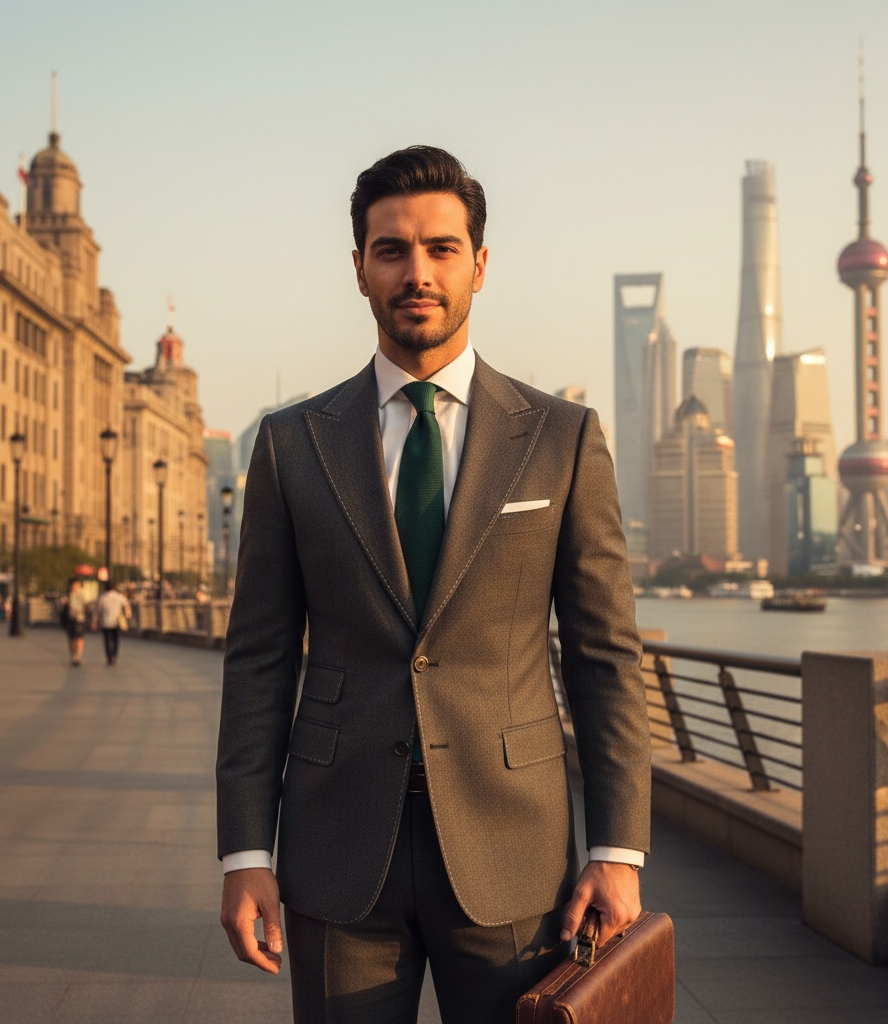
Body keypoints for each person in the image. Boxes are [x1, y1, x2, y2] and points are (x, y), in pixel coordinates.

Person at [217, 146, 651, 1024]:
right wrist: (244, 854)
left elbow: (604, 656)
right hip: (337, 849)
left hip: (513, 851)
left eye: (442, 249)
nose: (417, 272)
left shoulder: (562, 438)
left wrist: (617, 849)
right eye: (392, 250)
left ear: (479, 265)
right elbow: (259, 660)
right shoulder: (292, 444)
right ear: (359, 270)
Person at [93, 581, 131, 665]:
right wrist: (127, 615)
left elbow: (97, 611)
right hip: (117, 621)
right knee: (116, 639)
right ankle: (115, 654)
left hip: (105, 622)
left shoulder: (102, 597)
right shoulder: (119, 596)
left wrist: (94, 622)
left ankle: (109, 656)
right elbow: (126, 605)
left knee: (107, 640)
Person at [64, 578, 87, 666]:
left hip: (80, 619)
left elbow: (86, 605)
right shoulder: (68, 595)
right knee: (71, 638)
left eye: (77, 585)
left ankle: (78, 656)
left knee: (79, 637)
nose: (76, 587)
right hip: (70, 618)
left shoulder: (82, 594)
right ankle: (73, 655)